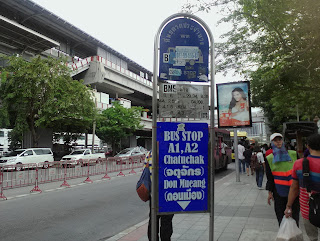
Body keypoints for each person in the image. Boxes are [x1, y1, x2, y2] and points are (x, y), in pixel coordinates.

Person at [284, 134, 320, 241]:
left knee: (313, 237)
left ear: (307, 146)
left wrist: (289, 206)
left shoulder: (299, 164)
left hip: (308, 208)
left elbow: (294, 188)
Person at [265, 133, 300, 226]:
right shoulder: (269, 158)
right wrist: (269, 192)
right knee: (281, 218)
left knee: (295, 217)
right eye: (275, 140)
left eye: (279, 140)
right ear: (272, 143)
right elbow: (270, 177)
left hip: (294, 191)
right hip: (279, 192)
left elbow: (300, 171)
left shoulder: (293, 154)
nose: (278, 142)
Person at [145, 150, 174, 241]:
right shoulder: (170, 152)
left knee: (153, 220)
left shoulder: (149, 153)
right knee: (166, 222)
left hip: (154, 194)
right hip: (168, 194)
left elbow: (146, 173)